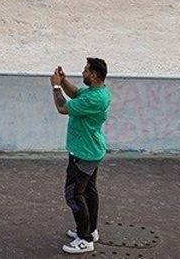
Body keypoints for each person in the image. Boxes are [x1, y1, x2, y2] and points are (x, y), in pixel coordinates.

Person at [49, 58, 111, 255]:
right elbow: (75, 93)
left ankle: (85, 239)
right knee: (88, 192)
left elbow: (62, 108)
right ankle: (90, 230)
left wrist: (56, 87)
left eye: (85, 70)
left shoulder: (95, 99)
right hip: (89, 151)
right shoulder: (96, 92)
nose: (83, 73)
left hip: (84, 154)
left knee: (74, 194)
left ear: (93, 75)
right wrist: (64, 81)